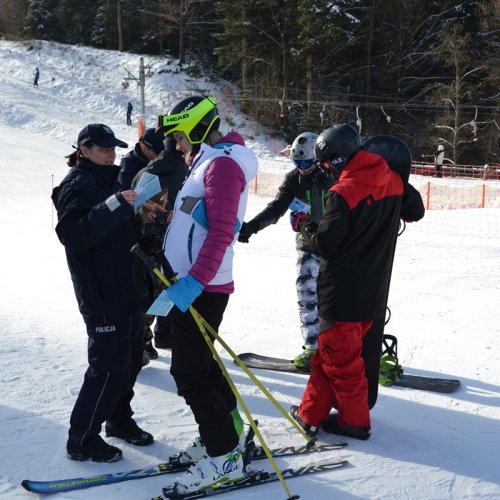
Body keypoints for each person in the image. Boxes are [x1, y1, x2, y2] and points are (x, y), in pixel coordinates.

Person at [288, 124, 424, 441]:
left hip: (342, 293)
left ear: (337, 160)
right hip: (372, 292)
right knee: (329, 354)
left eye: (325, 164)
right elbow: (415, 210)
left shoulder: (343, 193)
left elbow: (326, 245)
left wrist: (305, 226)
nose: (324, 170)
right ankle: (310, 415)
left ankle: (356, 423)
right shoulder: (391, 180)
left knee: (342, 363)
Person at [156, 95, 258, 494]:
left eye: (181, 136)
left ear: (199, 128)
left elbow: (221, 232)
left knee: (190, 371)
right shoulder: (211, 160)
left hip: (203, 285)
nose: (178, 144)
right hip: (192, 281)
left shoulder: (223, 164)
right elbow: (198, 219)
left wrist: (195, 279)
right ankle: (231, 436)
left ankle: (224, 456)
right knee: (201, 365)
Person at [51, 123, 154, 463]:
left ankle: (119, 420)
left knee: (130, 361)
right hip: (101, 295)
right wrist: (113, 206)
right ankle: (81, 438)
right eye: (104, 148)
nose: (112, 153)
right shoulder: (76, 185)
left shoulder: (110, 179)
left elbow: (117, 230)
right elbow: (73, 235)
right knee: (107, 367)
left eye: (114, 148)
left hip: (127, 288)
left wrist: (143, 215)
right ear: (84, 149)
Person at [238, 132, 336, 370]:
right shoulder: (294, 180)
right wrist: (252, 227)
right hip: (307, 243)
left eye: (306, 163)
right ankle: (312, 348)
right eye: (297, 163)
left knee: (334, 299)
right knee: (306, 293)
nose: (301, 168)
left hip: (334, 244)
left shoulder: (332, 176)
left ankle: (338, 348)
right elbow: (277, 207)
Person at [131, 135, 190, 358]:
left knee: (150, 292)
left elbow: (137, 203)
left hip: (143, 242)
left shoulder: (146, 171)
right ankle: (147, 339)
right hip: (164, 242)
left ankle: (146, 339)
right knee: (163, 292)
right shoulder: (180, 173)